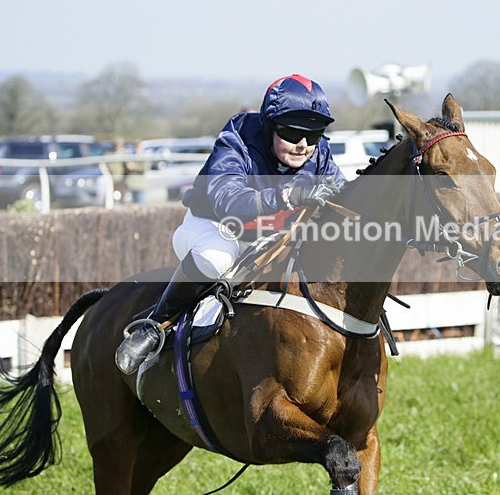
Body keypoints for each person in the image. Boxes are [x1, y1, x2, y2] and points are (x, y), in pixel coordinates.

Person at [115, 74, 346, 375]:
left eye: (313, 135)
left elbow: (347, 198)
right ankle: (154, 326)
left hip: (269, 237)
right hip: (214, 228)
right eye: (292, 132)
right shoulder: (237, 139)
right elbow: (228, 200)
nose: (303, 145)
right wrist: (288, 196)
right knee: (218, 260)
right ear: (269, 124)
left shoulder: (321, 155)